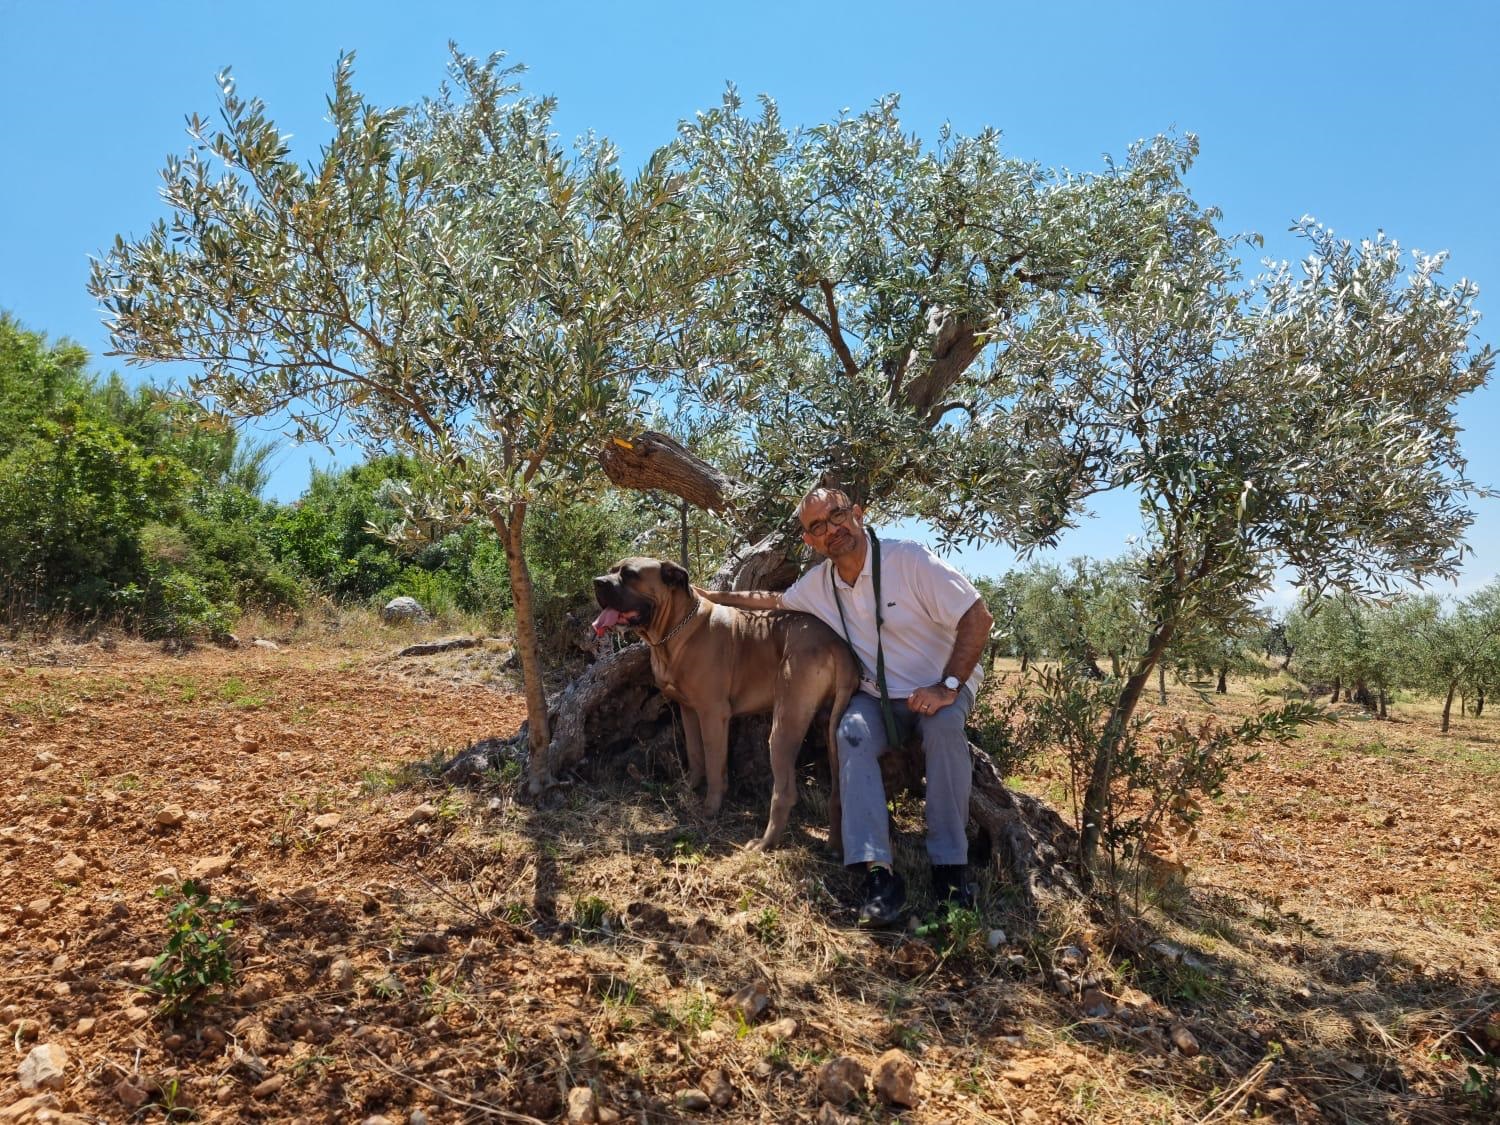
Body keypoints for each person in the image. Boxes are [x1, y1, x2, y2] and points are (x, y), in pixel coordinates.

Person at [702, 487, 993, 926]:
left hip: (939, 687)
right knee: (851, 734)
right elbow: (772, 603)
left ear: (858, 514)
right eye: (817, 526)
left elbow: (978, 616)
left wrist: (948, 685)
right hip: (879, 696)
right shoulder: (821, 584)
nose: (831, 529)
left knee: (944, 732)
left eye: (836, 516)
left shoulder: (908, 559)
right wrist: (711, 598)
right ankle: (878, 875)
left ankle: (951, 870)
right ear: (810, 542)